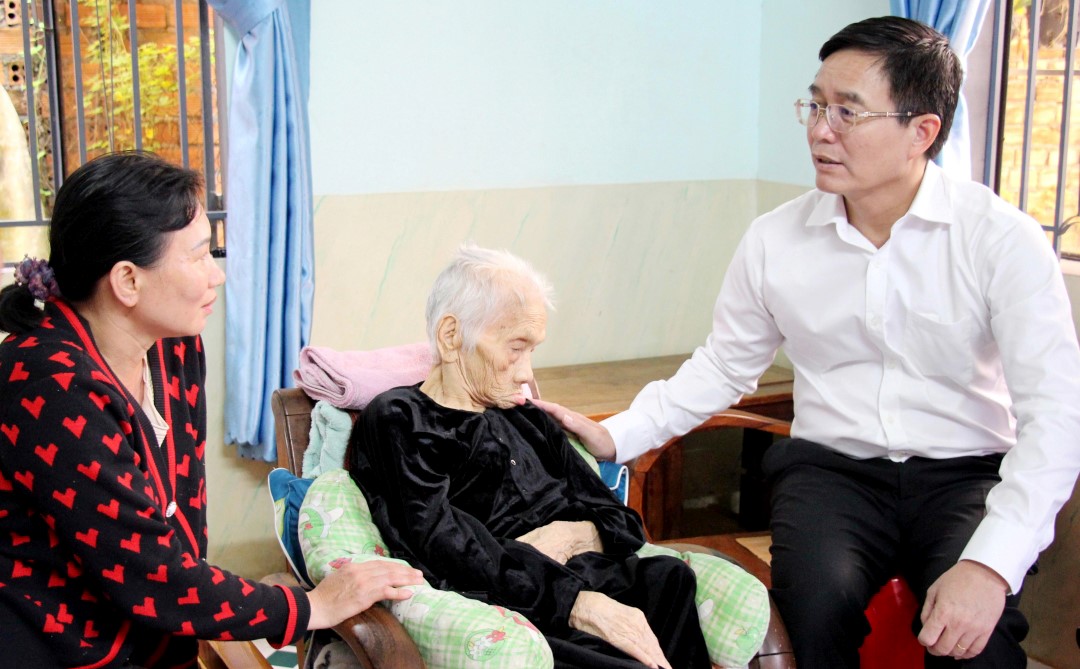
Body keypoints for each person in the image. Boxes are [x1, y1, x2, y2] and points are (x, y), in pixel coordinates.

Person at [533, 16, 1080, 668]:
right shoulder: (775, 240)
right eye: (816, 105)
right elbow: (724, 364)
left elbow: (1055, 419)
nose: (821, 130)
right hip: (832, 474)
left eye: (848, 112)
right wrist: (617, 433)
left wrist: (989, 568)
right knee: (816, 608)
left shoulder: (1001, 242)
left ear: (922, 132)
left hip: (966, 476)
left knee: (976, 642)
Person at [0, 151, 423, 668]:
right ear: (128, 281)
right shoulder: (46, 384)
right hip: (55, 644)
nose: (216, 276)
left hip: (153, 634)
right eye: (199, 257)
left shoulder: (173, 347)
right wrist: (311, 606)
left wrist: (198, 626)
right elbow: (150, 571)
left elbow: (183, 514)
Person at [347, 245, 712, 669]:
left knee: (670, 578)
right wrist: (577, 602)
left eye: (533, 350)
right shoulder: (401, 418)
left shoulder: (529, 420)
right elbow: (444, 544)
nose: (527, 374)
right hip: (515, 605)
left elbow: (623, 523)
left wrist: (570, 537)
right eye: (516, 348)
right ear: (451, 337)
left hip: (589, 577)